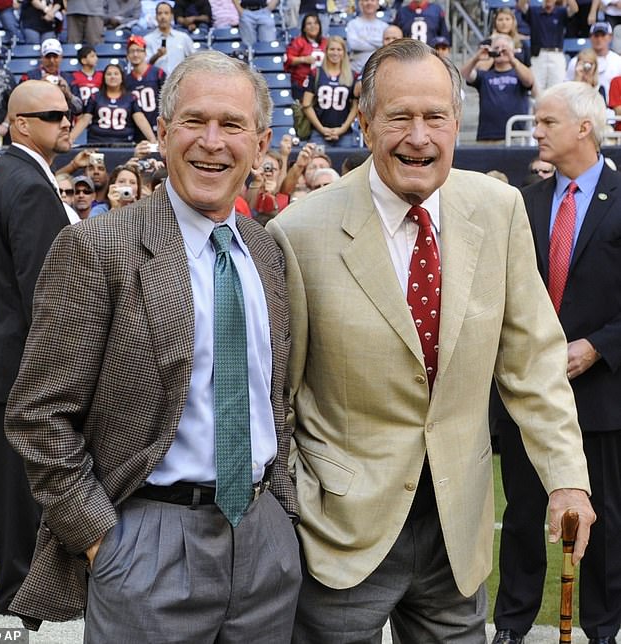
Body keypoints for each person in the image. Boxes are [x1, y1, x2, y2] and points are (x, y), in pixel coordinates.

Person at [265, 38, 595, 643]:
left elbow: (533, 364)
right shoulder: (298, 232)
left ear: (455, 122)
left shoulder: (498, 210)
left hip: (457, 532)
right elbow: (277, 397)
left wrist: (567, 477)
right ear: (363, 124)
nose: (420, 136)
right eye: (399, 117)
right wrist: (294, 508)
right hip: (340, 536)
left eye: (436, 117)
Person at [4, 50, 301, 638]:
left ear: (261, 143)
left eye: (232, 125)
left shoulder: (267, 252)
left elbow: (275, 399)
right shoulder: (99, 246)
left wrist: (283, 516)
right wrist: (101, 541)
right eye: (194, 121)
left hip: (264, 544)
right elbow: (38, 416)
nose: (211, 142)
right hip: (148, 541)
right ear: (163, 134)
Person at [492, 81, 621, 644]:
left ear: (583, 128)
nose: (535, 131)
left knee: (607, 523)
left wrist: (597, 347)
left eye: (545, 122)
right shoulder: (523, 203)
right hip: (529, 397)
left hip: (601, 397)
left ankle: (603, 627)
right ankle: (512, 628)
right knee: (521, 518)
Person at [0, 80, 71, 616]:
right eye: (53, 115)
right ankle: (20, 599)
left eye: (68, 113)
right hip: (20, 365)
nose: (66, 121)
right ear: (20, 123)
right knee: (18, 488)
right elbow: (47, 289)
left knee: (0, 485)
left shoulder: (2, 177)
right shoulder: (29, 185)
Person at [461, 35, 535, 142]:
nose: (500, 51)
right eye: (496, 48)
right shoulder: (484, 76)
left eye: (504, 48)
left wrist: (512, 59)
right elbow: (464, 74)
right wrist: (476, 58)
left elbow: (529, 80)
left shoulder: (519, 73)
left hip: (515, 135)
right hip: (488, 135)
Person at [70, 64, 157, 145]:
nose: (112, 77)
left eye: (116, 74)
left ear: (122, 78)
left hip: (124, 143)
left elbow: (140, 119)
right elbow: (84, 120)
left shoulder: (131, 98)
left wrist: (153, 140)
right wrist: (70, 139)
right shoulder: (94, 97)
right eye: (109, 74)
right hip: (97, 142)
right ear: (104, 78)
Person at [301, 35, 358, 148]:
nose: (335, 53)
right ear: (326, 51)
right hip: (318, 133)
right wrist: (322, 129)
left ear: (344, 52)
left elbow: (355, 106)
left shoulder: (352, 76)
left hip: (345, 135)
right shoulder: (315, 73)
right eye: (332, 49)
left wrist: (342, 129)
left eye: (339, 49)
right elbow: (306, 104)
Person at [518, 0, 579, 92]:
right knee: (536, 89)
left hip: (556, 54)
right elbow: (521, 5)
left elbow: (574, 9)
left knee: (557, 89)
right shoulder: (534, 11)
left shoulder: (561, 12)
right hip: (538, 55)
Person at [20, 39, 83, 117]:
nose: (52, 61)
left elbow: (79, 110)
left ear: (61, 57)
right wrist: (37, 87)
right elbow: (19, 104)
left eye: (55, 56)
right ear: (41, 57)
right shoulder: (29, 77)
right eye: (48, 57)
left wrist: (68, 94)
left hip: (63, 124)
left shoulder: (70, 79)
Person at [125, 34, 167, 139]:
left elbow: (167, 99)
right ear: (127, 55)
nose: (135, 54)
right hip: (137, 130)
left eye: (139, 50)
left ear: (145, 53)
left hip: (159, 125)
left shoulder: (158, 73)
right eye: (132, 51)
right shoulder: (126, 80)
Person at [566, 22, 621, 100]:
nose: (599, 39)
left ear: (610, 37)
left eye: (603, 35)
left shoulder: (618, 61)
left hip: (611, 107)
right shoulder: (576, 61)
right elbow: (567, 87)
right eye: (596, 35)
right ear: (590, 37)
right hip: (584, 103)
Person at [284, 13, 327, 102]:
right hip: (302, 83)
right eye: (309, 23)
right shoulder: (298, 42)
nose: (313, 26)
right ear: (304, 28)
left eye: (316, 23)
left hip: (322, 84)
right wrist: (303, 59)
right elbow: (288, 59)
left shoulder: (326, 42)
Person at [145, 2, 194, 76]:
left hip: (178, 82)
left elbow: (194, 60)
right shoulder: (147, 39)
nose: (163, 17)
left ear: (171, 16)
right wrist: (157, 55)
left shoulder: (183, 38)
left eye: (166, 13)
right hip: (156, 83)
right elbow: (144, 65)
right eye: (160, 13)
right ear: (156, 17)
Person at [346, 0, 388, 75]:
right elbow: (354, 44)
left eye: (372, 0)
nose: (369, 3)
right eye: (366, 0)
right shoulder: (352, 24)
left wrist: (364, 39)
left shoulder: (384, 26)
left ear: (378, 4)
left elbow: (386, 46)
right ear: (360, 4)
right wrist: (378, 44)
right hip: (356, 71)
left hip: (379, 71)